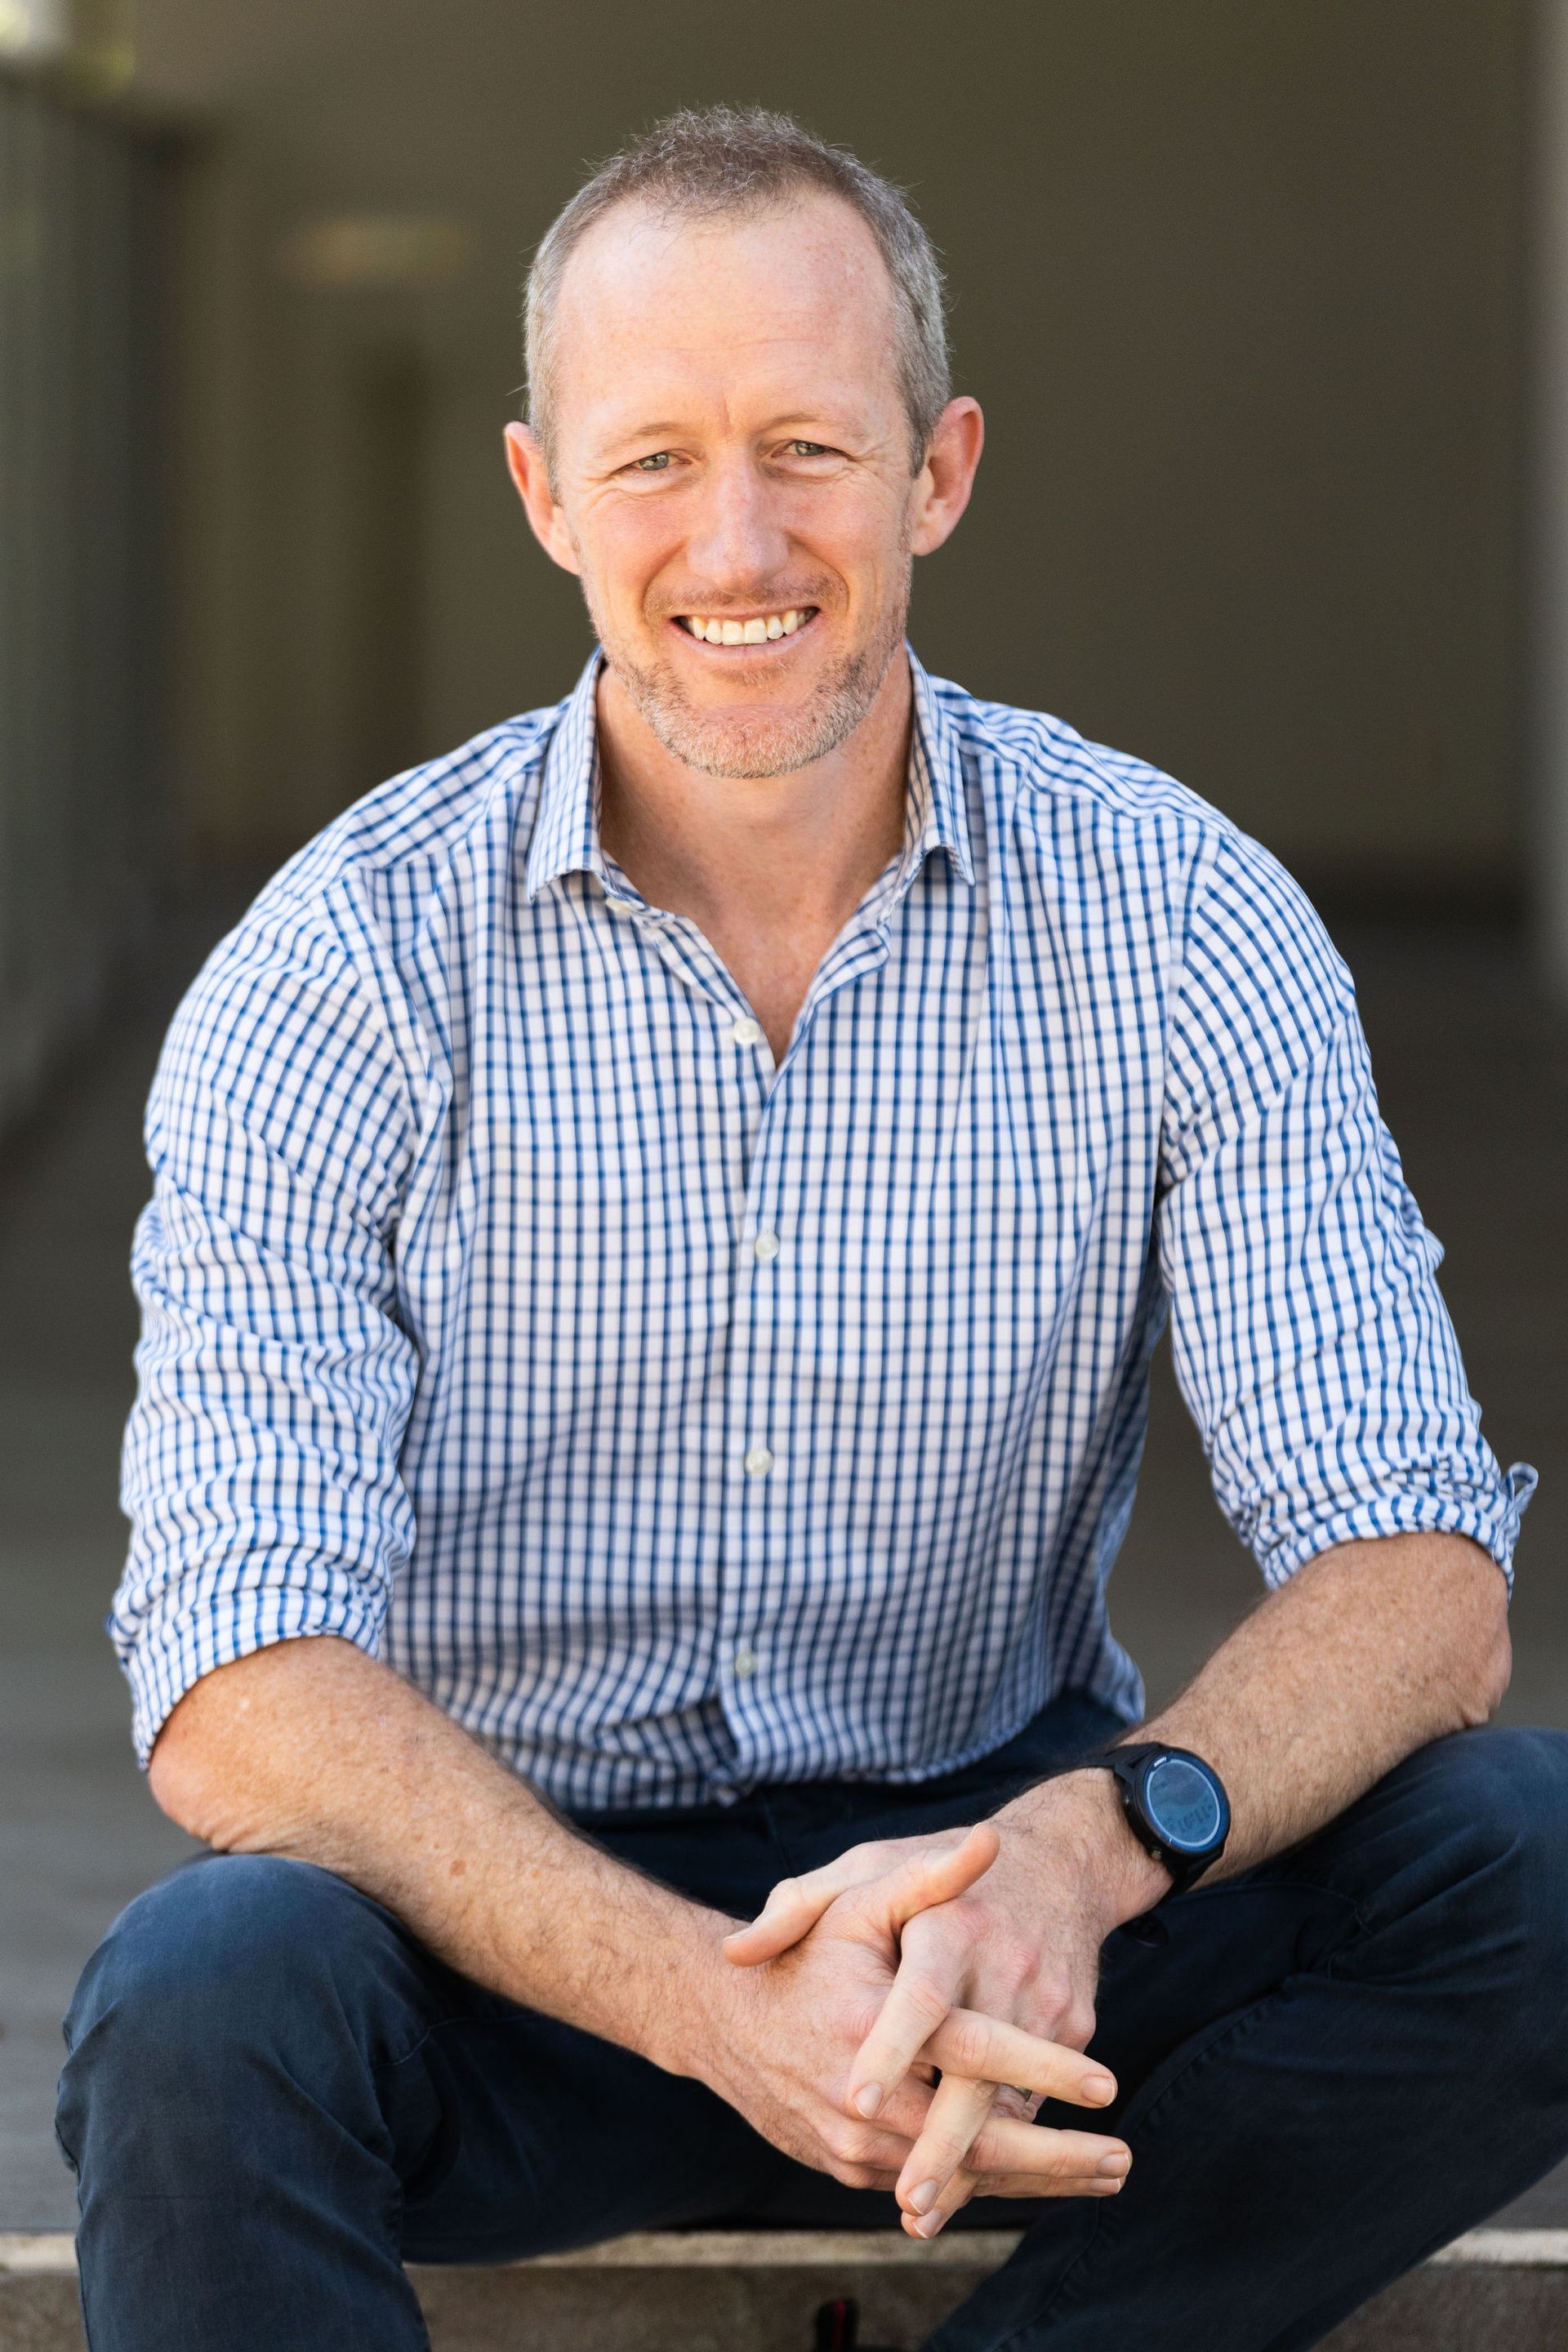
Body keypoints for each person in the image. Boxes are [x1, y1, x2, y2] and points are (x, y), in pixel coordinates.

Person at [56, 105, 1568, 2352]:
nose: (737, 537)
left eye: (809, 448)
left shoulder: (1174, 913)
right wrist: (697, 1996)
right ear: (545, 492)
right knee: (197, 2008)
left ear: (939, 470)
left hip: (1007, 1914)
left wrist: (1090, 1846)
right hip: (520, 1926)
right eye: (653, 458)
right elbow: (232, 1675)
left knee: (1525, 1868)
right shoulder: (346, 959)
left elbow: (1422, 1581)